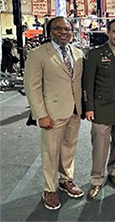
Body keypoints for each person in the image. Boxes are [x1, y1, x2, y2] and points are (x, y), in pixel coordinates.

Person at [24, 16, 84, 210]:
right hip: (52, 112)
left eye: (67, 29)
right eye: (58, 29)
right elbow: (32, 87)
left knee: (69, 148)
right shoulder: (38, 54)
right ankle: (49, 189)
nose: (64, 32)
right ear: (50, 31)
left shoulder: (77, 53)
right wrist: (40, 114)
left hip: (74, 110)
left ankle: (66, 179)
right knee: (51, 152)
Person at [83, 19, 115, 199]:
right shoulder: (96, 54)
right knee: (100, 147)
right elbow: (87, 83)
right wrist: (89, 107)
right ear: (108, 32)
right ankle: (96, 180)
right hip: (101, 108)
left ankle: (113, 171)